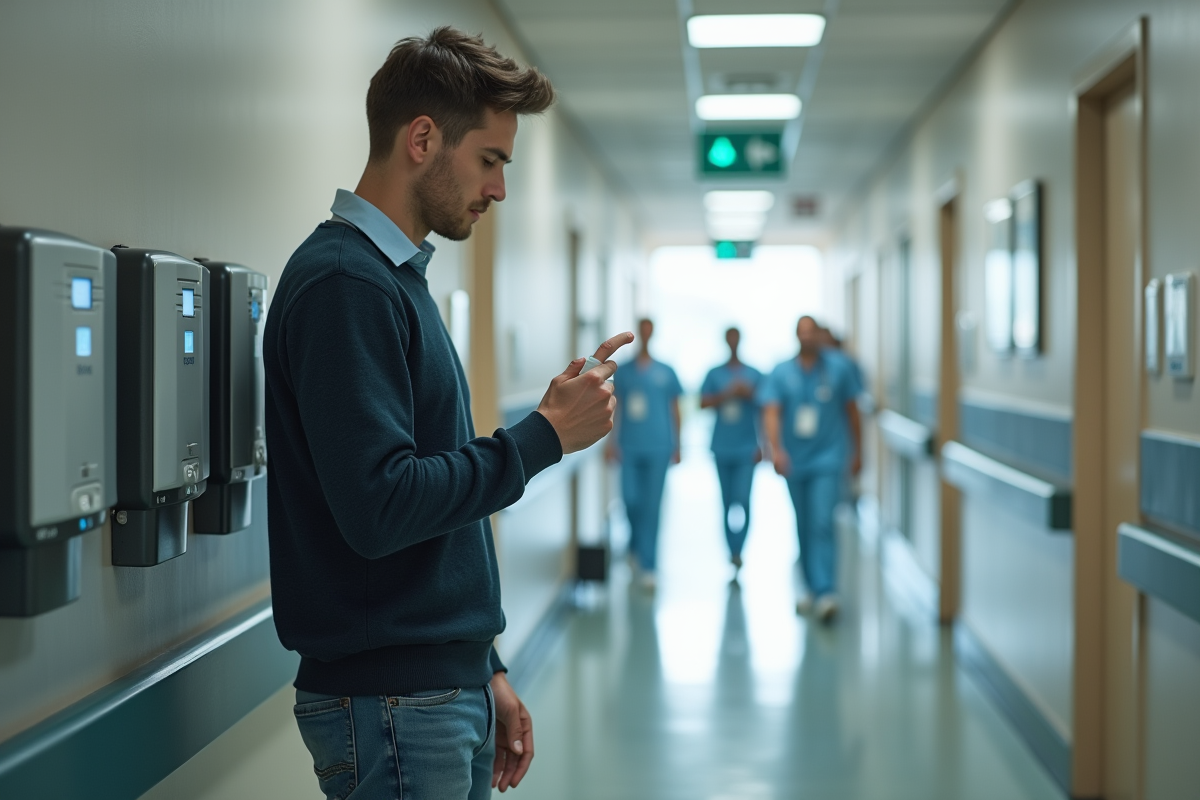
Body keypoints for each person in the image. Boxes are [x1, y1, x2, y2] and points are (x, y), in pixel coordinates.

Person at [264, 28, 633, 800]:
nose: (499, 189)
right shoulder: (345, 284)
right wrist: (542, 437)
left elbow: (434, 497)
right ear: (423, 139)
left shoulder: (397, 283)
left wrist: (483, 663)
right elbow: (382, 505)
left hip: (434, 686)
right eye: (491, 161)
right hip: (392, 700)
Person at [760, 316, 863, 623]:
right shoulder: (782, 372)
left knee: (822, 520)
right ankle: (808, 584)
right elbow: (771, 412)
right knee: (803, 522)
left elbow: (853, 412)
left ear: (819, 336)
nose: (807, 337)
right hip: (795, 460)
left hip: (829, 458)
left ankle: (826, 590)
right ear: (796, 336)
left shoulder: (839, 368)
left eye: (812, 332)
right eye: (801, 332)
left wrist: (858, 452)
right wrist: (776, 450)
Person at [606, 318, 683, 590]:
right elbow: (616, 407)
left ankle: (649, 566)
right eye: (643, 331)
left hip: (659, 446)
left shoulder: (666, 371)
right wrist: (610, 442)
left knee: (652, 507)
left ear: (654, 334)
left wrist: (678, 443)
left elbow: (675, 409)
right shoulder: (625, 372)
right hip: (629, 445)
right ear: (639, 333)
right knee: (630, 501)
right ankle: (636, 545)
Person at [699, 327, 763, 574]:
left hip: (748, 448)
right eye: (730, 338)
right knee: (726, 502)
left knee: (743, 500)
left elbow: (768, 406)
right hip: (722, 447)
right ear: (726, 341)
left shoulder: (754, 374)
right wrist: (726, 394)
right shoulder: (715, 373)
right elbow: (702, 402)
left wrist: (748, 393)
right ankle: (732, 551)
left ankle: (740, 548)